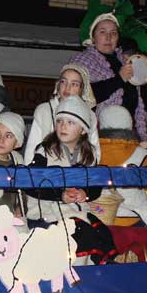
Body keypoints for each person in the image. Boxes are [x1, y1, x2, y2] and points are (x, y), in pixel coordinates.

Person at [25, 95, 117, 263]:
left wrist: (86, 193)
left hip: (76, 211)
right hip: (46, 213)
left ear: (83, 130)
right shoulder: (44, 152)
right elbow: (30, 184)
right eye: (60, 121)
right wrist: (60, 194)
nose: (63, 126)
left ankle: (97, 270)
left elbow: (95, 185)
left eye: (70, 122)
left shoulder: (88, 155)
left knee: (101, 233)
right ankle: (76, 274)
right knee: (81, 234)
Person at [68, 10, 147, 142]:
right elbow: (80, 96)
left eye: (113, 33)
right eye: (103, 32)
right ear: (93, 37)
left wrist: (146, 78)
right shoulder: (81, 62)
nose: (109, 37)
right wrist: (119, 79)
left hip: (131, 137)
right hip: (98, 138)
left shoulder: (125, 62)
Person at [23, 63, 101, 165]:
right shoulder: (44, 110)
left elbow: (94, 151)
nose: (67, 87)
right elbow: (31, 150)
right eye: (63, 82)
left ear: (82, 89)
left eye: (74, 84)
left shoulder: (90, 115)